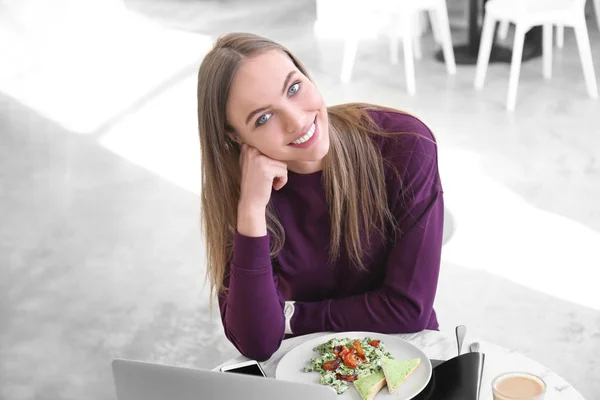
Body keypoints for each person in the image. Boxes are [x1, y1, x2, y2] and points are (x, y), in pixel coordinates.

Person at [197, 33, 444, 361]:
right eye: (263, 118)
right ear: (236, 137)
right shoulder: (245, 192)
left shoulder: (405, 145)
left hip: (406, 360)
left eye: (293, 88)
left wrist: (291, 316)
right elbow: (257, 341)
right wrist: (252, 209)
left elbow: (407, 309)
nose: (296, 120)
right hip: (305, 370)